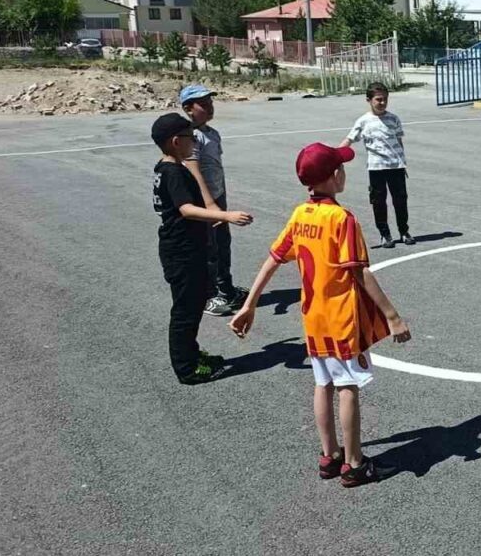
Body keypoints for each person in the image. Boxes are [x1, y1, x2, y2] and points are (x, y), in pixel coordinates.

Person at [229, 142, 412, 486]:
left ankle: (329, 455)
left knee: (322, 384)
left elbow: (273, 258)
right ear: (333, 177)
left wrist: (249, 303)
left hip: (313, 318)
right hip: (341, 319)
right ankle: (355, 463)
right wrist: (392, 315)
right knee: (347, 388)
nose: (344, 172)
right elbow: (360, 271)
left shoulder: (301, 215)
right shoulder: (342, 219)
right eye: (340, 168)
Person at [150, 113, 253, 385]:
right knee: (185, 311)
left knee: (194, 307)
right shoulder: (173, 172)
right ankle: (186, 368)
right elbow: (186, 209)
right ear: (175, 142)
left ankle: (193, 354)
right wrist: (226, 215)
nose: (194, 143)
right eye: (190, 137)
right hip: (182, 253)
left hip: (186, 249)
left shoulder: (164, 167)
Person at [180, 85, 247, 317]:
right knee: (209, 248)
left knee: (222, 244)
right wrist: (210, 204)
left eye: (211, 103)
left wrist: (220, 198)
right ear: (188, 109)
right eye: (203, 104)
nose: (209, 108)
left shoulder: (211, 133)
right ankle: (209, 295)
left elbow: (216, 169)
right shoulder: (190, 136)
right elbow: (195, 171)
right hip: (204, 201)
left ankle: (225, 287)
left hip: (218, 197)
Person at [340, 82, 411, 249]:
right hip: (376, 168)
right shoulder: (364, 121)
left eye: (385, 99)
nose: (382, 103)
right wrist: (333, 156)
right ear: (369, 100)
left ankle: (404, 231)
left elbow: (399, 141)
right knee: (379, 202)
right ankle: (385, 234)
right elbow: (349, 140)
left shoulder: (393, 119)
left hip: (396, 167)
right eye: (378, 100)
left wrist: (403, 163)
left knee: (400, 200)